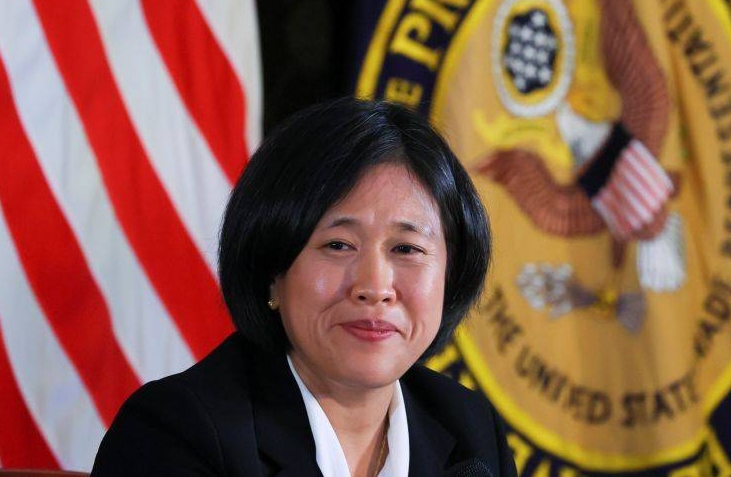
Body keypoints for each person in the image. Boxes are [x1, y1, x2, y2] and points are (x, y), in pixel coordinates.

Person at [92, 97, 515, 476]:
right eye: (338, 244)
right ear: (273, 268)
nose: (374, 286)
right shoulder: (178, 434)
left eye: (406, 248)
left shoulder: (471, 432)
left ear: (451, 274)